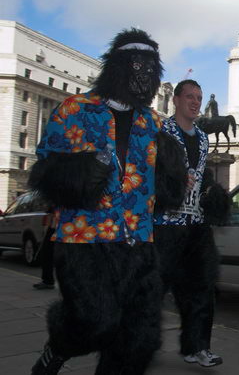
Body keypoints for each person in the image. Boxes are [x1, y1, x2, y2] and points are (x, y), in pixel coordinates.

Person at [28, 28, 186, 375]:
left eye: (150, 68)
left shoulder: (155, 124)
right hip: (85, 241)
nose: (143, 74)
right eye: (136, 65)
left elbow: (168, 193)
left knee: (138, 341)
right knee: (94, 321)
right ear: (116, 67)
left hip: (138, 245)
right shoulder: (75, 109)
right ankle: (58, 346)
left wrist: (173, 169)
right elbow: (44, 170)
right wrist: (89, 169)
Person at [154, 79, 230, 368]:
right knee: (154, 290)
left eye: (199, 97)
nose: (196, 102)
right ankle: (135, 346)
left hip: (196, 223)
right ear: (175, 99)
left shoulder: (202, 136)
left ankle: (197, 347)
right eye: (190, 97)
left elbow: (201, 174)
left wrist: (211, 192)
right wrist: (171, 181)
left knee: (202, 287)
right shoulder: (161, 131)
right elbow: (147, 172)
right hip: (164, 223)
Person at [32, 207, 57, 290]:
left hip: (57, 227)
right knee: (47, 254)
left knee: (47, 254)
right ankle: (48, 280)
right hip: (58, 227)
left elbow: (51, 215)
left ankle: (48, 281)